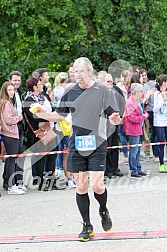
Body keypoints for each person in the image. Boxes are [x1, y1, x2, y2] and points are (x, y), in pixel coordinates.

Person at [35, 57, 121, 241]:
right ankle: (87, 225)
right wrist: (43, 114)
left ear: (90, 72)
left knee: (97, 185)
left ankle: (103, 210)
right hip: (77, 142)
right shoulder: (70, 92)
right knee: (81, 187)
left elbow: (112, 114)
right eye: (75, 71)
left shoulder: (102, 91)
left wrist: (115, 118)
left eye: (81, 71)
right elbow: (60, 115)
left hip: (97, 142)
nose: (77, 74)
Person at [23, 77, 58, 190]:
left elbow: (51, 108)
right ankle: (41, 182)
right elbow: (34, 116)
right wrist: (48, 116)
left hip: (50, 129)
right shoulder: (28, 100)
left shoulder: (44, 96)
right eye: (39, 84)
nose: (41, 85)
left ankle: (50, 180)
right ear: (34, 87)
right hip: (39, 132)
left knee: (53, 155)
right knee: (40, 157)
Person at [0, 82, 25, 194]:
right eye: (9, 90)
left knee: (13, 159)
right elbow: (8, 120)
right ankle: (11, 185)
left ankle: (13, 183)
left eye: (13, 90)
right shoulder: (5, 103)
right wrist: (18, 118)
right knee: (11, 160)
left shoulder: (8, 102)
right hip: (9, 134)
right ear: (5, 91)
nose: (12, 92)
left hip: (12, 133)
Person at [99, 72, 125, 177]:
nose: (110, 83)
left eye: (111, 81)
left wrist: (120, 116)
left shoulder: (116, 90)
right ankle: (107, 170)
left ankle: (114, 168)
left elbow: (122, 102)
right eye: (108, 81)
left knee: (114, 146)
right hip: (104, 123)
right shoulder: (99, 92)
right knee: (107, 146)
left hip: (115, 122)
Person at [123, 83, 149, 178]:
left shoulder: (137, 101)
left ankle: (138, 168)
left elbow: (142, 110)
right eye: (141, 91)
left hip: (138, 128)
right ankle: (133, 170)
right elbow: (131, 117)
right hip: (133, 129)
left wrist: (144, 114)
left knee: (137, 150)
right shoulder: (130, 102)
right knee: (134, 151)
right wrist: (143, 117)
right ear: (136, 92)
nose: (142, 93)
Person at [153, 75, 167, 172]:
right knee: (161, 142)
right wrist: (163, 101)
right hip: (159, 122)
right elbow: (154, 109)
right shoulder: (156, 94)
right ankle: (161, 163)